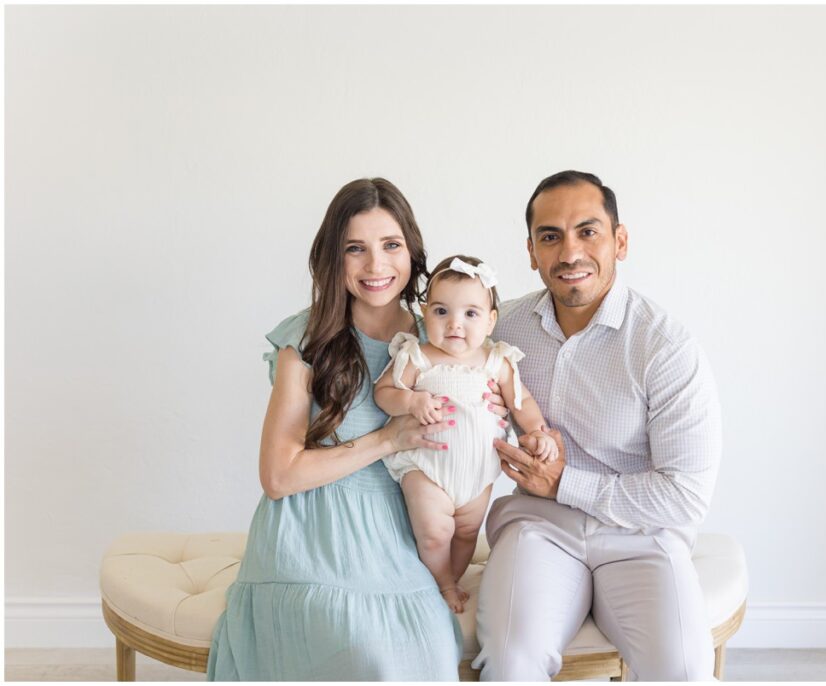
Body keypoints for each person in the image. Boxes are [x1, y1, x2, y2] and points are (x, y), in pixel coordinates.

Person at [207, 178, 476, 680]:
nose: (376, 266)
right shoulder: (306, 340)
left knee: (424, 656)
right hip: (309, 534)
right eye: (356, 249)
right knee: (357, 651)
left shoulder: (438, 335)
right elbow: (278, 477)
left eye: (390, 245)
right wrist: (386, 439)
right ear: (335, 259)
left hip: (402, 535)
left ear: (412, 251)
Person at [472, 171, 723, 681]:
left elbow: (686, 497)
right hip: (539, 528)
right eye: (551, 237)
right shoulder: (500, 329)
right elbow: (435, 364)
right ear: (531, 252)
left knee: (684, 669)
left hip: (643, 537)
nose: (569, 253)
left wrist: (567, 483)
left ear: (620, 241)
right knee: (509, 661)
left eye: (587, 231)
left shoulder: (665, 346)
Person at [374, 254, 557, 615]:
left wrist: (538, 431)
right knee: (434, 532)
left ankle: (453, 578)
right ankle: (441, 583)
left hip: (476, 473)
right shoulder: (417, 357)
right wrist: (411, 401)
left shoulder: (496, 360)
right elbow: (384, 393)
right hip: (427, 467)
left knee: (466, 534)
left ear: (490, 322)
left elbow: (522, 401)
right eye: (441, 311)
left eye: (470, 314)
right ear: (425, 313)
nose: (455, 324)